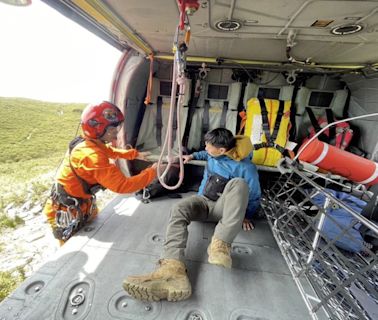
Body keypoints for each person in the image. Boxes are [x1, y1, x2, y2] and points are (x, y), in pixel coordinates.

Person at [123, 128, 261, 302]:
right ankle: (172, 271)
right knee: (179, 208)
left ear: (222, 150)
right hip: (203, 201)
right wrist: (193, 156)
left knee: (239, 184)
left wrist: (246, 215)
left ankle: (220, 246)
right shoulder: (213, 154)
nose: (206, 147)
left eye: (208, 145)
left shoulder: (246, 168)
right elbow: (205, 153)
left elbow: (254, 195)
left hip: (222, 210)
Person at [43, 101, 157, 244]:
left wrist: (134, 155)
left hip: (81, 203)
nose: (116, 134)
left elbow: (109, 151)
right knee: (73, 246)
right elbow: (122, 186)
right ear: (96, 129)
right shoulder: (91, 156)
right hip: (67, 210)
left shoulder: (91, 143)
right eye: (112, 130)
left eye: (117, 128)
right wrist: (153, 171)